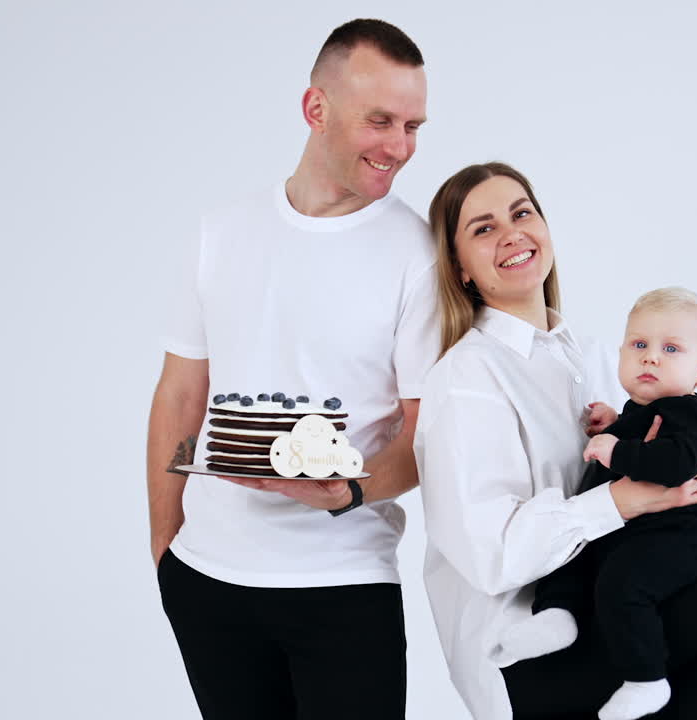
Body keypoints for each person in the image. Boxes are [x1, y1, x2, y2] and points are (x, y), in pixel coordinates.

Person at [415, 162, 697, 720]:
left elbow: (672, 459)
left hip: (617, 616)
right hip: (526, 652)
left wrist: (696, 470)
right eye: (483, 228)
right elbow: (491, 556)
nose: (512, 233)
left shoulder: (596, 358)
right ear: (460, 268)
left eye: (522, 213)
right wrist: (623, 499)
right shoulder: (466, 379)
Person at [146, 19, 437, 719]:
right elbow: (181, 394)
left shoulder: (418, 251)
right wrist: (165, 547)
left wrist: (350, 493)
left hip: (343, 584)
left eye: (413, 125)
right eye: (381, 121)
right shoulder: (222, 231)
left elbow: (428, 436)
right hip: (209, 579)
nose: (400, 147)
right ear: (316, 109)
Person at [498, 287, 697, 720]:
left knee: (623, 585)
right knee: (573, 555)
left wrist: (616, 451)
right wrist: (616, 422)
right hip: (633, 530)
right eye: (640, 345)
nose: (651, 357)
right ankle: (559, 615)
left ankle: (646, 680)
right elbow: (644, 433)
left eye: (671, 348)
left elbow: (677, 461)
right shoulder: (642, 411)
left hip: (676, 538)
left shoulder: (696, 414)